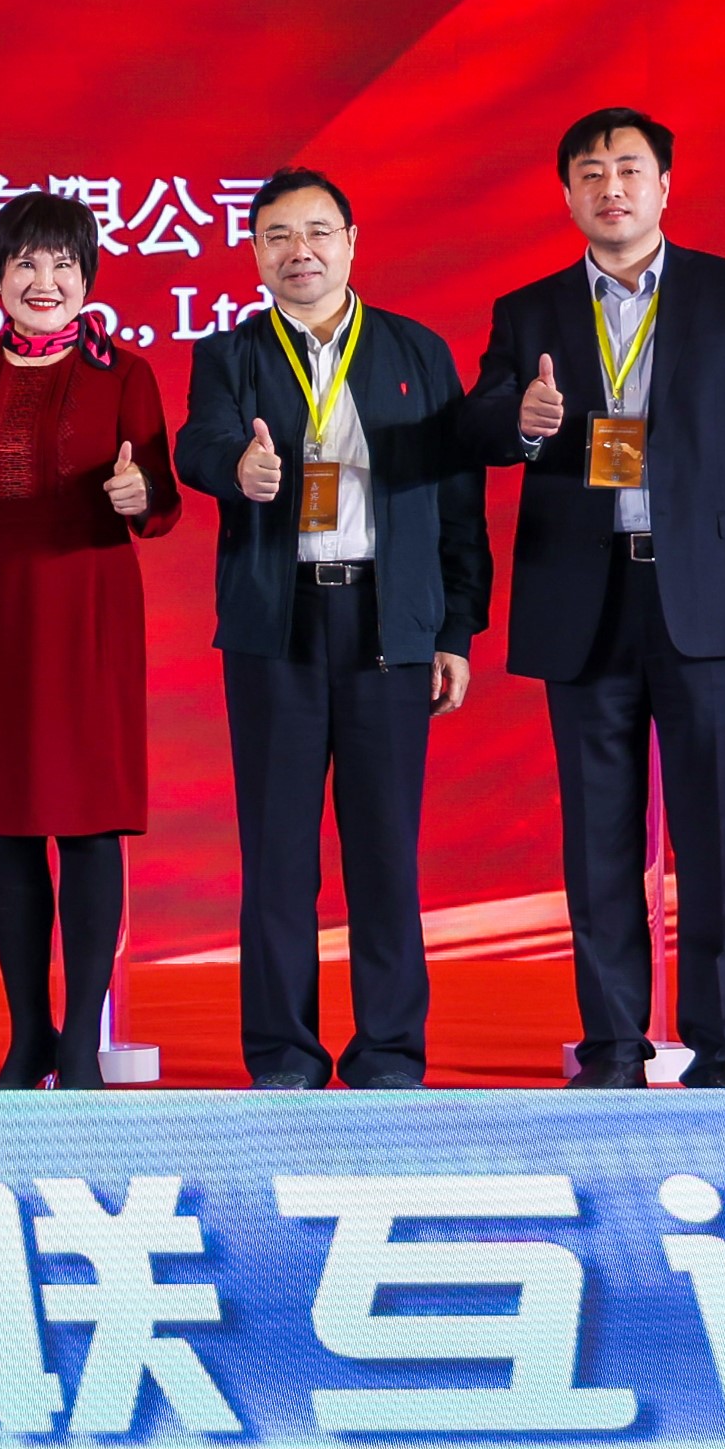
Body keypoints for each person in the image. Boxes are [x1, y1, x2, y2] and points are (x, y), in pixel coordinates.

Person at [466, 106, 725, 1090]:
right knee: (598, 841)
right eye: (590, 173)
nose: (610, 189)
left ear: (664, 186)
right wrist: (523, 420)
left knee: (713, 835)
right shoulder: (528, 310)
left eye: (628, 170)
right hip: (585, 594)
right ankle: (614, 1047)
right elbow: (479, 427)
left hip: (707, 591)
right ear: (567, 194)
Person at [174, 168, 488, 1091]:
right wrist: (238, 470)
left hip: (387, 623)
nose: (298, 251)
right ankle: (284, 1056)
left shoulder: (415, 350)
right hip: (277, 625)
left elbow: (457, 501)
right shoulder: (230, 354)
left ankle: (388, 1052)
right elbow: (198, 443)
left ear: (352, 242)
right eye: (277, 236)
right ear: (255, 253)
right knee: (277, 853)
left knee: (384, 849)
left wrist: (455, 630)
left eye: (317, 232)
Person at [0, 189, 180, 1091]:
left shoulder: (124, 374)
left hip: (88, 612)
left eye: (63, 264)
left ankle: (80, 1045)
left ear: (88, 277)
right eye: (24, 262)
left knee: (90, 824)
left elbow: (162, 498)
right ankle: (29, 1036)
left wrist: (141, 497)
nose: (44, 280)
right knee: (9, 828)